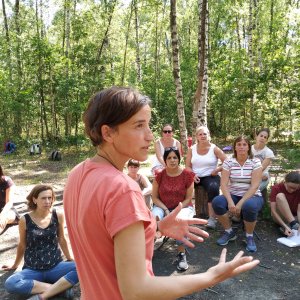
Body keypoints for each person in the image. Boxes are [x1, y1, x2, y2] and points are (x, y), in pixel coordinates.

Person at [63, 87, 259, 300]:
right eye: (139, 126)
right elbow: (137, 291)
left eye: (148, 125)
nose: (149, 136)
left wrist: (154, 228)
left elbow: (103, 239)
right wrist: (209, 277)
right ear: (107, 132)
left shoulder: (78, 173)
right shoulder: (123, 188)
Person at [2, 184, 78, 300]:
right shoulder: (24, 220)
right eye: (43, 198)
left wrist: (70, 258)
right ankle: (58, 289)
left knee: (82, 267)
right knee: (11, 283)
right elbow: (22, 245)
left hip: (55, 266)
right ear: (34, 199)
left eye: (50, 198)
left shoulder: (58, 215)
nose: (47, 201)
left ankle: (49, 290)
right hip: (33, 270)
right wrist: (15, 265)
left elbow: (61, 238)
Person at [212, 135, 264, 252]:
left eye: (244, 144)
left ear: (248, 147)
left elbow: (255, 185)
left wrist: (240, 204)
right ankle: (229, 231)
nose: (241, 147)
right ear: (235, 147)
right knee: (217, 202)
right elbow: (224, 184)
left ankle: (249, 236)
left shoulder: (255, 162)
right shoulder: (229, 162)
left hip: (253, 196)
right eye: (239, 144)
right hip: (234, 194)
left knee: (249, 206)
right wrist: (230, 202)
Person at [152, 147, 195, 271]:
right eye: (169, 158)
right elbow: (154, 197)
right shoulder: (159, 175)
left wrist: (176, 211)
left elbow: (188, 198)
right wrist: (166, 210)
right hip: (162, 206)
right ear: (165, 160)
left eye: (175, 157)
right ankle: (149, 248)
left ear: (179, 159)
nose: (172, 160)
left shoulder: (188, 175)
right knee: (154, 218)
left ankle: (181, 253)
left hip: (184, 207)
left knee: (180, 220)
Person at [185, 126, 227, 229]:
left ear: (209, 135)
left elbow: (228, 162)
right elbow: (187, 166)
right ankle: (184, 213)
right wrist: (192, 174)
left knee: (213, 188)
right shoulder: (192, 149)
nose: (203, 136)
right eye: (200, 134)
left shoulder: (214, 148)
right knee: (182, 186)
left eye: (205, 134)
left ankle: (212, 218)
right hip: (195, 176)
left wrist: (217, 170)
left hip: (210, 175)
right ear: (197, 137)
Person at [269, 171, 300, 236]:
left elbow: (299, 210)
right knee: (280, 196)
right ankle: (292, 225)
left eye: (295, 188)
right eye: (290, 187)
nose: (292, 190)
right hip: (280, 217)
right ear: (285, 182)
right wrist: (285, 226)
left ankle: (292, 225)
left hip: (295, 217)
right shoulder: (276, 188)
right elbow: (273, 212)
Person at [251, 128, 275, 192]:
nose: (262, 138)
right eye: (261, 136)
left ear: (266, 140)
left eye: (265, 137)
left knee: (254, 190)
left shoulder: (269, 152)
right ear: (256, 136)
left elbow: (261, 169)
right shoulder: (249, 149)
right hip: (248, 172)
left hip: (262, 174)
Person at [0, 165, 20, 235]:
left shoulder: (7, 181)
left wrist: (2, 215)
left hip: (7, 211)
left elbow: (9, 203)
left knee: (3, 218)